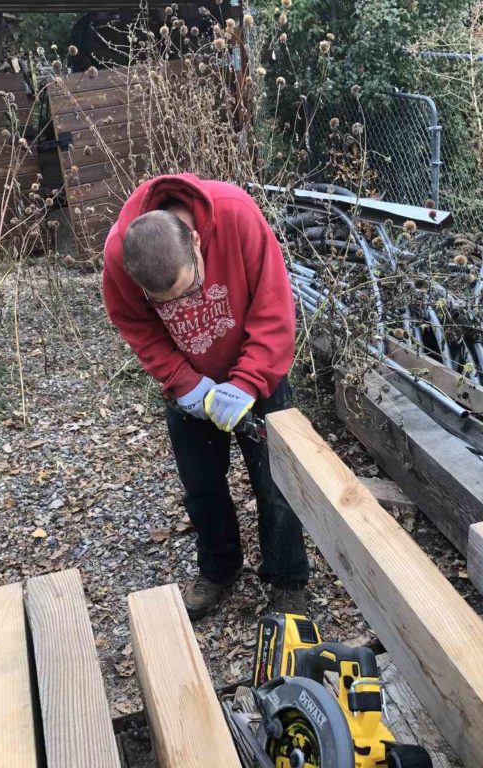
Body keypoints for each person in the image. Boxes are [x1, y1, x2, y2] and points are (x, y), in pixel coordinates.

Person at [102, 173, 309, 618]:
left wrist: (248, 381)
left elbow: (274, 307)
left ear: (197, 242)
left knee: (277, 483)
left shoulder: (237, 215)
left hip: (259, 372)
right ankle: (219, 569)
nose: (185, 303)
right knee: (202, 487)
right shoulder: (120, 255)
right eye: (168, 301)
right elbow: (136, 326)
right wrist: (183, 382)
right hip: (190, 384)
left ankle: (287, 578)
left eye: (190, 288)